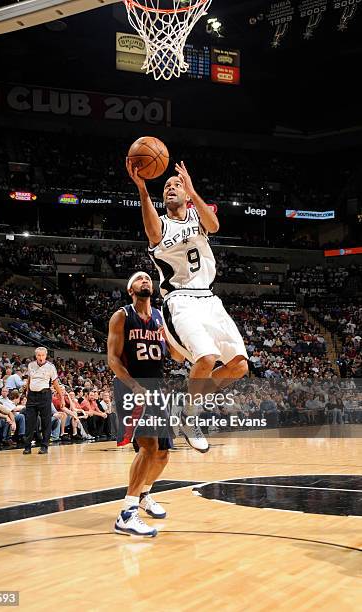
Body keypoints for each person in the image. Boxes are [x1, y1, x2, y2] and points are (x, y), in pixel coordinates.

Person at [126, 159, 248, 453]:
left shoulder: (197, 219)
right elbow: (152, 231)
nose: (170, 188)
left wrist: (192, 190)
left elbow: (215, 225)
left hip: (209, 298)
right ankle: (190, 417)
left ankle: (186, 405)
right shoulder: (161, 224)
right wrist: (143, 189)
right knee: (206, 359)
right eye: (166, 186)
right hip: (179, 299)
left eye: (175, 185)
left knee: (239, 367)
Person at [108, 271, 182, 537]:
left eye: (148, 278)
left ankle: (143, 494)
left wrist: (171, 337)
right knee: (148, 446)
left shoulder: (160, 317)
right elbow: (113, 359)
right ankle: (126, 514)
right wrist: (133, 386)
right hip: (131, 388)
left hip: (156, 389)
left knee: (162, 454)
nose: (145, 280)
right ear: (131, 290)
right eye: (139, 279)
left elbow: (177, 357)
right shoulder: (122, 316)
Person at [23, 347, 65, 455]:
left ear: (46, 356)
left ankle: (44, 446)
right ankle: (27, 447)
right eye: (38, 355)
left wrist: (62, 397)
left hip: (44, 395)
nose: (41, 357)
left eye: (43, 355)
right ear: (36, 356)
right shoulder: (31, 365)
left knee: (46, 422)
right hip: (32, 396)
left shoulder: (51, 367)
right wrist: (27, 392)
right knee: (30, 422)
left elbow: (55, 383)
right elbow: (29, 380)